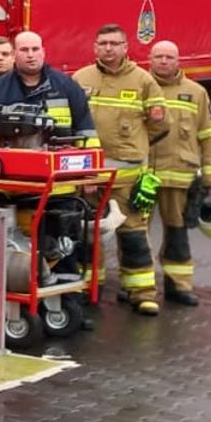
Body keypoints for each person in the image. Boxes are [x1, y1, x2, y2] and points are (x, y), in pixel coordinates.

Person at [72, 23, 168, 315]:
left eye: (115, 43)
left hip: (128, 177)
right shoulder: (80, 78)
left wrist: (134, 148)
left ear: (126, 47)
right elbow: (71, 124)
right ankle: (89, 288)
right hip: (89, 175)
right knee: (88, 233)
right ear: (95, 47)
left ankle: (142, 293)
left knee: (134, 234)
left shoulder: (143, 81)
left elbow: (159, 125)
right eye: (103, 43)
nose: (109, 48)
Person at [146, 39, 211, 307]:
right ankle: (135, 287)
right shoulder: (141, 87)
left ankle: (178, 286)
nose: (164, 61)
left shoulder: (196, 92)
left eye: (169, 57)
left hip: (179, 174)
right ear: (150, 59)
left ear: (178, 61)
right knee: (135, 233)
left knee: (177, 233)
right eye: (159, 56)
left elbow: (209, 135)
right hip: (143, 175)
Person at [0, 31, 97, 142]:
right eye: (24, 50)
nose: (30, 55)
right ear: (14, 54)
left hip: (57, 161)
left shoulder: (67, 86)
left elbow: (86, 130)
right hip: (13, 162)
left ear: (43, 52)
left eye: (35, 49)